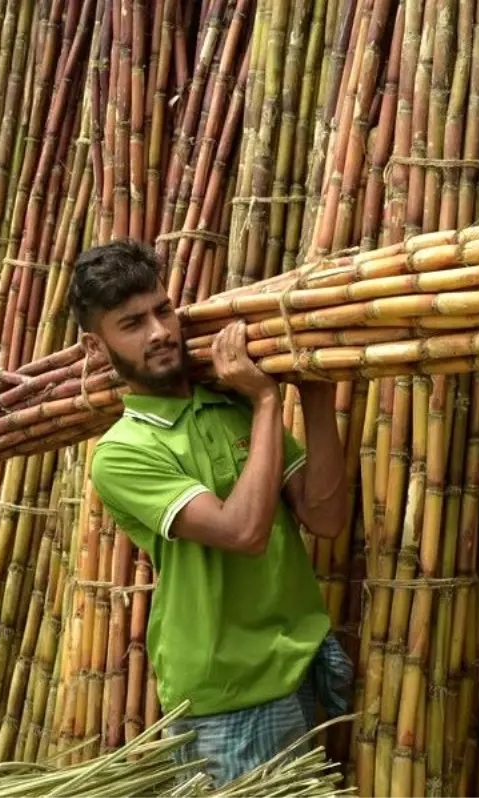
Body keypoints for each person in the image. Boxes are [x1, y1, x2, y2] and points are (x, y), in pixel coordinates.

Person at [72, 239, 354, 786]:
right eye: (131, 324)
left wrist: (315, 395)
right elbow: (243, 531)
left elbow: (324, 518)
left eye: (162, 310)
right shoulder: (123, 452)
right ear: (94, 348)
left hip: (300, 663)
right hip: (229, 695)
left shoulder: (229, 407)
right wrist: (269, 402)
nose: (159, 332)